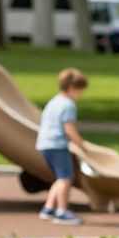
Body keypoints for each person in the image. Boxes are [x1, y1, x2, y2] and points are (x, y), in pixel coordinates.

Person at [35, 68, 88, 225]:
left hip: (44, 144)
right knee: (66, 179)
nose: (80, 95)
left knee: (60, 178)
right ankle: (62, 211)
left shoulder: (55, 101)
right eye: (79, 91)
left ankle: (48, 208)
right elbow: (69, 128)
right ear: (72, 88)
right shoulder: (68, 105)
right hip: (57, 145)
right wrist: (80, 144)